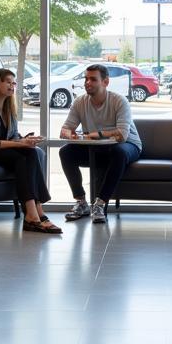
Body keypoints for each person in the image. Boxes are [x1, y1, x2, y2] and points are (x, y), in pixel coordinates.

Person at [0, 68, 60, 234]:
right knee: (21, 157)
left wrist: (25, 141)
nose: (12, 85)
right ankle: (34, 214)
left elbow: (13, 136)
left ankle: (36, 213)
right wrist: (19, 144)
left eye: (14, 83)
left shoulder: (10, 107)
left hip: (0, 150)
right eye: (8, 82)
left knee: (31, 152)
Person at [59, 63, 142, 224]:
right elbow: (65, 129)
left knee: (118, 152)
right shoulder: (79, 102)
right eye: (86, 79)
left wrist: (99, 134)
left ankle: (99, 205)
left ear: (105, 82)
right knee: (66, 152)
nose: (87, 83)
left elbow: (122, 135)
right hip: (97, 148)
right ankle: (81, 202)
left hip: (128, 145)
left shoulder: (119, 101)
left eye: (93, 79)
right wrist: (71, 134)